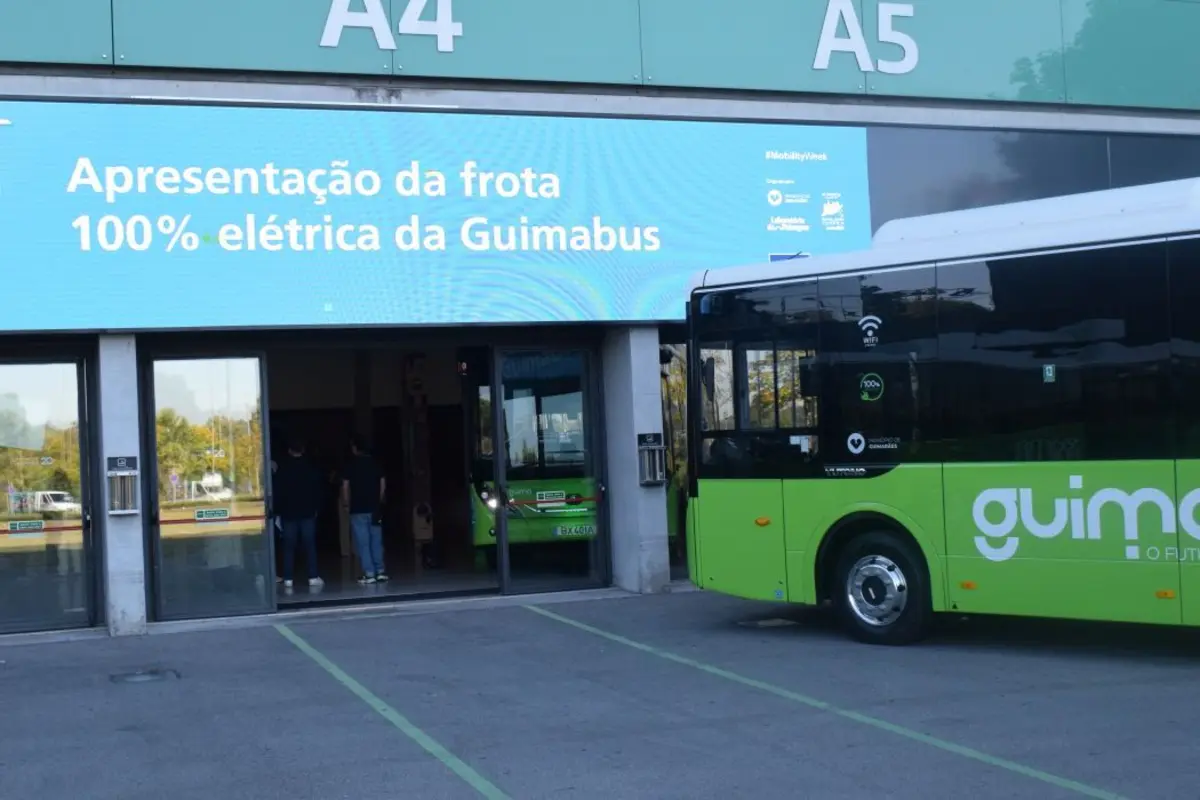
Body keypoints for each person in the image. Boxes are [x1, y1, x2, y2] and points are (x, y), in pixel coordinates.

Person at [274, 438, 324, 589]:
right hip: (308, 512)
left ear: (289, 451)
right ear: (303, 450)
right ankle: (313, 576)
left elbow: (278, 492)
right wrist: (316, 508)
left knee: (288, 546)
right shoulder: (311, 468)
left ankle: (288, 578)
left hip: (288, 513)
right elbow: (318, 490)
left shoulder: (283, 469)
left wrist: (277, 510)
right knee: (309, 545)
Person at [343, 436, 387, 584]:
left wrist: (346, 503)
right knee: (377, 540)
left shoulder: (351, 465)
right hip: (375, 508)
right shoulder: (376, 464)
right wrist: (379, 501)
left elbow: (345, 486)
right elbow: (382, 484)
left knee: (363, 542)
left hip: (357, 509)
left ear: (355, 448)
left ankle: (369, 573)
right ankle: (380, 571)